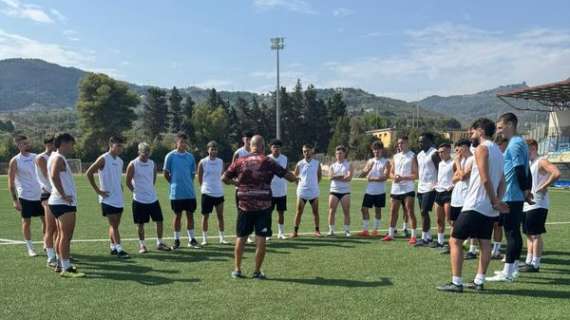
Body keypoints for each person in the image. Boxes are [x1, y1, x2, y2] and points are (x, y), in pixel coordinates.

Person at [437, 118, 508, 292]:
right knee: (485, 242)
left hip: (475, 204)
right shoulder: (499, 152)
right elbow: (503, 181)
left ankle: (456, 282)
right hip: (489, 208)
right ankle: (479, 281)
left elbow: (485, 178)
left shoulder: (482, 149)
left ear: (481, 131)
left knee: (455, 241)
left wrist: (494, 200)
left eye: (473, 131)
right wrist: (497, 201)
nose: (471, 134)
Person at [222, 135, 298, 279]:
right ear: (263, 147)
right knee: (261, 237)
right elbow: (287, 175)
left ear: (251, 146)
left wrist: (236, 183)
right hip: (263, 206)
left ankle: (237, 269)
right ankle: (257, 272)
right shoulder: (268, 161)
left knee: (241, 236)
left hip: (244, 205)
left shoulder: (240, 161)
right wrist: (296, 179)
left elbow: (224, 178)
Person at [488, 113, 532, 282]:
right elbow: (525, 169)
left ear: (511, 125)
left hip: (511, 195)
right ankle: (512, 270)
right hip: (514, 194)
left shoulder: (514, 144)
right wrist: (526, 190)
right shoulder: (518, 143)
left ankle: (508, 272)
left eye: (500, 127)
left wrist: (525, 191)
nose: (499, 132)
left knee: (512, 233)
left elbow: (521, 170)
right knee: (513, 232)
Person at [48, 133, 85, 277]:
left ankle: (60, 263)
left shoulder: (54, 156)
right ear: (63, 143)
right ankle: (66, 267)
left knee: (60, 235)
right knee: (66, 236)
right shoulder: (57, 157)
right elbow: (53, 175)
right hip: (63, 203)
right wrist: (63, 195)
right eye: (71, 143)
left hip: (57, 202)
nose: (72, 146)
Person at [520, 139, 560, 272]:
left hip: (538, 203)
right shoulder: (529, 163)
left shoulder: (541, 161)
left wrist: (543, 186)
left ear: (533, 147)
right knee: (528, 234)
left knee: (535, 234)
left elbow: (556, 173)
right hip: (527, 204)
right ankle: (528, 261)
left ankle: (535, 264)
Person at [86, 136, 129, 258]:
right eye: (118, 146)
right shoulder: (103, 158)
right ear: (111, 145)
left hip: (118, 198)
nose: (120, 148)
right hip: (107, 198)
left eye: (121, 146)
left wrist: (120, 187)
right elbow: (89, 173)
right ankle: (120, 249)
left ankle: (113, 247)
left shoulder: (120, 161)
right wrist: (98, 190)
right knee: (114, 225)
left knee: (115, 225)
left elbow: (117, 178)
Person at [126, 142, 171, 253]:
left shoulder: (152, 164)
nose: (146, 155)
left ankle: (159, 243)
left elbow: (153, 180)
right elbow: (127, 182)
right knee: (140, 224)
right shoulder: (133, 164)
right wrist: (135, 191)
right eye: (143, 153)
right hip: (139, 200)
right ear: (139, 152)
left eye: (147, 153)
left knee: (159, 220)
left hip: (153, 199)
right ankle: (142, 245)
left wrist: (149, 190)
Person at [8, 134, 45, 257]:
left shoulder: (36, 157)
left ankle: (47, 243)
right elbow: (11, 182)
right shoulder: (15, 161)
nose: (27, 145)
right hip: (25, 196)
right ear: (18, 145)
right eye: (24, 143)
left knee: (46, 221)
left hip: (41, 195)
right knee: (26, 222)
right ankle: (30, 248)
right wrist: (15, 200)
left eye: (27, 143)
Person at [163, 132, 199, 249]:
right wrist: (174, 183)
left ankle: (191, 239)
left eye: (185, 142)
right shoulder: (170, 156)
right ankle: (177, 240)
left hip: (189, 193)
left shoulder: (190, 157)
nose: (183, 144)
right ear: (176, 143)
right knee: (177, 216)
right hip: (176, 193)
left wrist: (186, 183)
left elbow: (192, 175)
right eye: (181, 142)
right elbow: (166, 173)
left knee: (190, 216)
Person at [384, 136, 418, 244]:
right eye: (398, 143)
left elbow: (415, 175)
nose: (400, 145)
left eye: (402, 143)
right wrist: (395, 177)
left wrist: (403, 178)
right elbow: (391, 173)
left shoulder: (412, 156)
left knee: (409, 211)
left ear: (407, 143)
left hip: (408, 188)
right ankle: (391, 234)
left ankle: (413, 236)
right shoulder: (395, 156)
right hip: (396, 188)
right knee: (393, 211)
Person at [444, 139, 473, 255]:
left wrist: (457, 163)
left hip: (467, 197)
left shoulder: (472, 159)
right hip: (457, 197)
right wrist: (460, 170)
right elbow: (454, 178)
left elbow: (462, 177)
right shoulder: (462, 160)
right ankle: (452, 245)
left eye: (459, 148)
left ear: (464, 147)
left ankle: (472, 250)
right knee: (454, 222)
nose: (457, 152)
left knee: (470, 224)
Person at [197, 141, 228, 245]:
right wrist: (203, 188)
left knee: (220, 216)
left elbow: (223, 175)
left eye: (215, 149)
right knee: (205, 216)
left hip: (219, 192)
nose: (213, 151)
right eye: (211, 149)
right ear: (208, 150)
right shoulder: (203, 162)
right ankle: (205, 239)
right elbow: (200, 177)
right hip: (207, 193)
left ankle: (222, 238)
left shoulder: (221, 162)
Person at [358, 141, 390, 237]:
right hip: (369, 191)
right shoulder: (370, 161)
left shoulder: (386, 162)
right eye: (374, 149)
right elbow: (362, 175)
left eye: (378, 149)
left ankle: (375, 230)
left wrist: (371, 178)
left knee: (378, 210)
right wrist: (368, 169)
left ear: (381, 150)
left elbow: (385, 177)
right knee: (363, 209)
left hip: (380, 191)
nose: (376, 151)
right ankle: (365, 230)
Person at [35, 135, 58, 267]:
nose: (54, 146)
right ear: (46, 144)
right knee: (51, 227)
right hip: (47, 194)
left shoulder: (56, 156)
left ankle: (61, 253)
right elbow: (47, 175)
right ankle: (50, 257)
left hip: (57, 194)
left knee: (59, 227)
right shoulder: (41, 158)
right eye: (52, 144)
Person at [292, 144, 322, 238]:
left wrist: (314, 185)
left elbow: (319, 176)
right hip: (302, 192)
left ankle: (317, 231)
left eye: (308, 151)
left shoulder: (317, 163)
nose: (306, 153)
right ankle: (295, 232)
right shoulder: (299, 163)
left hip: (313, 192)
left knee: (315, 212)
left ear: (312, 151)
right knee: (298, 212)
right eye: (304, 151)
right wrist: (300, 186)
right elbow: (295, 176)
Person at [415, 133, 440, 246]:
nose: (421, 143)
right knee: (424, 213)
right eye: (419, 141)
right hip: (421, 187)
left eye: (423, 141)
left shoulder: (434, 153)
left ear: (430, 141)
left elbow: (440, 169)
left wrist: (438, 184)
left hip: (431, 187)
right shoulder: (419, 154)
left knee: (424, 211)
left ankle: (424, 238)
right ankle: (428, 236)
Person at [327, 145, 353, 237]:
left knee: (346, 211)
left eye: (340, 153)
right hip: (334, 191)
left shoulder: (349, 165)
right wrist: (341, 176)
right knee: (331, 211)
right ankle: (331, 231)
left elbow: (348, 178)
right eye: (337, 153)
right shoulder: (332, 166)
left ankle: (347, 231)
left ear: (344, 154)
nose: (338, 155)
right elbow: (330, 177)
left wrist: (336, 176)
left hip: (345, 192)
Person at [233, 131, 254, 244]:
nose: (249, 140)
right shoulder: (238, 153)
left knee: (251, 213)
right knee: (241, 212)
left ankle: (248, 235)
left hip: (253, 189)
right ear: (243, 139)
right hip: (241, 189)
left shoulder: (255, 152)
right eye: (247, 138)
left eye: (251, 138)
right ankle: (239, 234)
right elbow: (233, 169)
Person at [490, 134, 509, 259]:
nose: (498, 146)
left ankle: (496, 250)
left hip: (502, 197)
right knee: (490, 224)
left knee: (498, 225)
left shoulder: (506, 157)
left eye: (500, 144)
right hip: (492, 196)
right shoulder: (494, 157)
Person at [432, 143, 453, 249]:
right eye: (439, 152)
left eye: (443, 152)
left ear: (449, 150)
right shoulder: (440, 164)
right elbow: (441, 178)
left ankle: (453, 243)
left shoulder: (453, 163)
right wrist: (436, 184)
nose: (440, 154)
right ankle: (440, 242)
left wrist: (452, 185)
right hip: (438, 193)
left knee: (450, 220)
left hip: (449, 194)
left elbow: (459, 176)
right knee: (439, 220)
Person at [268, 139, 289, 240]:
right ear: (270, 148)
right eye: (274, 147)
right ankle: (267, 233)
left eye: (278, 147)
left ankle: (281, 233)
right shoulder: (267, 158)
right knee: (268, 213)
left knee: (281, 213)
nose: (276, 149)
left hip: (282, 191)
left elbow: (286, 172)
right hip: (269, 191)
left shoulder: (285, 158)